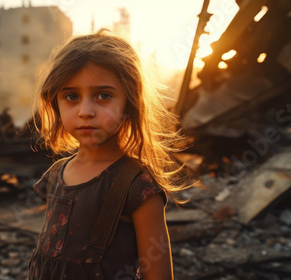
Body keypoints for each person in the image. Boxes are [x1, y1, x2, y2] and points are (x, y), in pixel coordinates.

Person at [29, 29, 185, 280]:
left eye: (103, 96)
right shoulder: (56, 173)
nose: (85, 111)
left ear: (130, 102)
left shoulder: (137, 186)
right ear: (54, 102)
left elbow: (158, 275)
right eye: (71, 96)